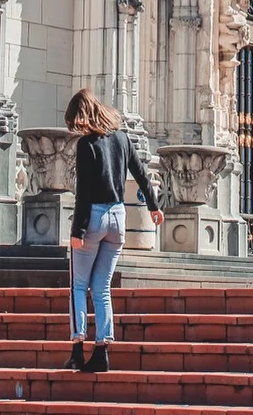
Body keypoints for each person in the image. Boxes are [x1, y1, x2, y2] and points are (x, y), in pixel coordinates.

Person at [63, 88, 163, 372]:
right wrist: (154, 207)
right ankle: (102, 349)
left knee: (78, 285)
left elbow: (83, 193)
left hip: (93, 216)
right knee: (102, 287)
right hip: (119, 216)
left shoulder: (87, 145)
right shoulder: (122, 138)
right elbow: (142, 174)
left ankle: (77, 347)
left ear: (81, 116)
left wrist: (78, 231)